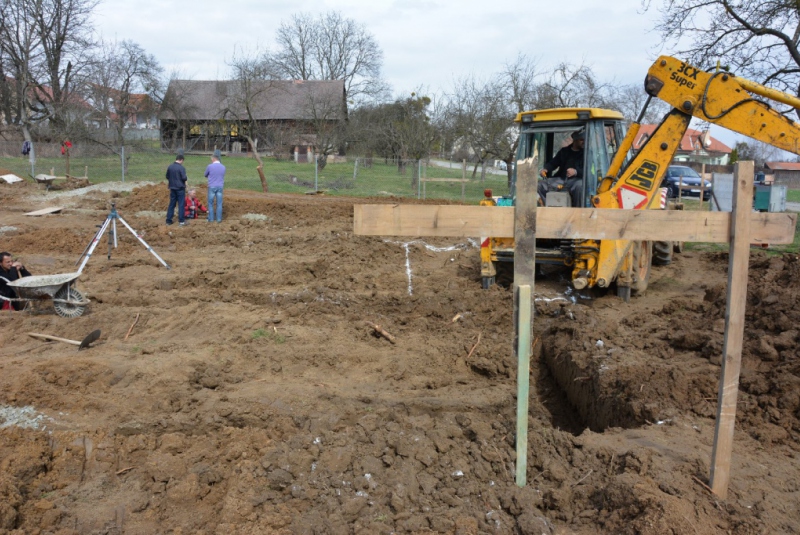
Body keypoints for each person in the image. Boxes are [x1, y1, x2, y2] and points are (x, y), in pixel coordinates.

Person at [538, 129, 585, 207]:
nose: (584, 142)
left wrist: (576, 172)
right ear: (575, 140)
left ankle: (578, 212)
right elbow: (553, 163)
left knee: (580, 186)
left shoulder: (587, 153)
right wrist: (545, 169)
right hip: (561, 180)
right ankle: (547, 208)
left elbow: (590, 173)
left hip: (577, 181)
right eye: (581, 140)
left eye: (584, 140)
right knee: (539, 185)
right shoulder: (564, 151)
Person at [166, 150, 188, 226]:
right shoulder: (181, 168)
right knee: (181, 204)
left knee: (172, 204)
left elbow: (167, 176)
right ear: (181, 160)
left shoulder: (170, 167)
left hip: (172, 188)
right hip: (180, 188)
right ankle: (181, 221)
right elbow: (184, 178)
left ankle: (168, 220)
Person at [205, 149, 226, 223]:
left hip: (212, 186)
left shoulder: (210, 166)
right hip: (220, 186)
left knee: (210, 203)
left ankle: (211, 218)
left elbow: (205, 174)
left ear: (214, 159)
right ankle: (219, 219)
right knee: (219, 203)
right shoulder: (223, 167)